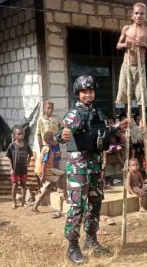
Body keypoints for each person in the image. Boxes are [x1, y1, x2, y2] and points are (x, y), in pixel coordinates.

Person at [55, 75, 130, 264]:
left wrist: (117, 127)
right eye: (84, 92)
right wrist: (62, 135)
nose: (88, 94)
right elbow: (61, 134)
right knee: (77, 207)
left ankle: (91, 240)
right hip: (79, 166)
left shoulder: (96, 112)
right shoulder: (75, 114)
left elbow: (101, 132)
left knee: (95, 203)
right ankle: (72, 247)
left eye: (91, 91)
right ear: (78, 94)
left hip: (95, 165)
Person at [115, 2, 147, 106]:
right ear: (132, 16)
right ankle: (127, 116)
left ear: (145, 17)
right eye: (136, 13)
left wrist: (143, 44)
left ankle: (142, 118)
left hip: (140, 66)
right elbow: (118, 45)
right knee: (125, 90)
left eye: (142, 13)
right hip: (127, 64)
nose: (139, 15)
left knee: (141, 93)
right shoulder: (127, 28)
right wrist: (124, 44)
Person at [32, 130, 65, 214]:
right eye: (55, 139)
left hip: (45, 170)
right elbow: (44, 163)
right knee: (63, 175)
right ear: (50, 140)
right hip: (45, 171)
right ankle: (66, 195)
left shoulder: (47, 147)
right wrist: (43, 176)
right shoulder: (47, 149)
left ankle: (35, 206)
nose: (56, 141)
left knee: (47, 189)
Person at [5, 125, 33, 209]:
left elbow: (30, 155)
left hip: (23, 169)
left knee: (23, 185)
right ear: (14, 135)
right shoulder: (12, 146)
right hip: (15, 169)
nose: (21, 136)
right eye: (19, 134)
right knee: (14, 185)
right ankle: (14, 202)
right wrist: (11, 169)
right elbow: (9, 157)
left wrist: (28, 162)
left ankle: (23, 202)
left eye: (22, 134)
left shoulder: (26, 145)